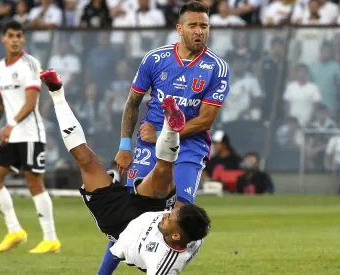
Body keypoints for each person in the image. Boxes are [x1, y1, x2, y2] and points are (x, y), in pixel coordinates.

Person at [41, 68, 211, 274]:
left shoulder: (161, 264)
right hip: (148, 208)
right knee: (163, 169)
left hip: (117, 222)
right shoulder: (189, 233)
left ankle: (57, 93)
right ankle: (170, 125)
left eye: (170, 217)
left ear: (175, 236)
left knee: (84, 159)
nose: (167, 214)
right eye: (172, 212)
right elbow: (187, 226)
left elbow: (116, 251)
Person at [106, 0, 230, 273]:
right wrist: (125, 145)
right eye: (193, 25)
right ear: (179, 28)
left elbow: (206, 120)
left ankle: (165, 267)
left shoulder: (216, 68)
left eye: (204, 26)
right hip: (148, 145)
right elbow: (132, 103)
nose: (200, 31)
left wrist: (163, 134)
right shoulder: (155, 59)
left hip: (189, 147)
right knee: (130, 213)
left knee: (182, 214)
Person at [0, 21, 59, 254]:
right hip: (9, 132)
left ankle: (50, 238)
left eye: (19, 35)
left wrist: (11, 124)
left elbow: (31, 103)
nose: (15, 39)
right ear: (3, 39)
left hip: (29, 133)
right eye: (11, 35)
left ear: (23, 39)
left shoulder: (30, 64)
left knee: (34, 182)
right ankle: (15, 230)